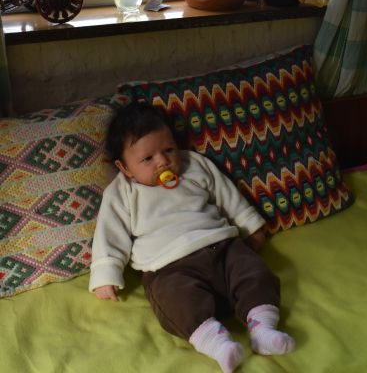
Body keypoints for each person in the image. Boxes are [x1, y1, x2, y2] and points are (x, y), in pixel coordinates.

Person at [89, 101, 294, 373]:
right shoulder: (121, 192)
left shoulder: (194, 164)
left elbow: (226, 195)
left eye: (168, 150)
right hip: (169, 266)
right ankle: (217, 343)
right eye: (148, 159)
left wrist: (250, 226)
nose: (163, 161)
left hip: (222, 246)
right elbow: (109, 232)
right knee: (175, 300)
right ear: (124, 167)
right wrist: (106, 274)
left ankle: (263, 328)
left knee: (254, 271)